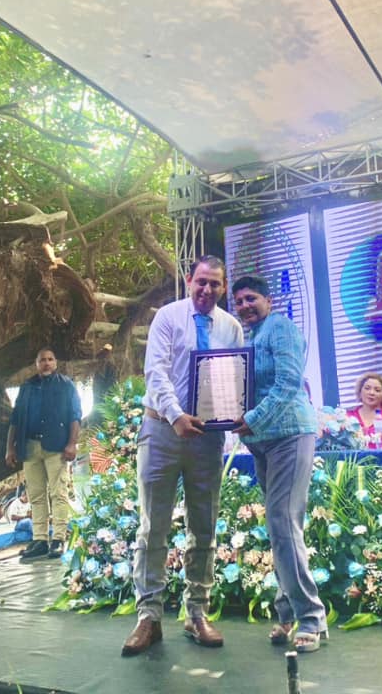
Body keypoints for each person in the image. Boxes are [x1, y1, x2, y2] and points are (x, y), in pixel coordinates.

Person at [121, 255, 244, 657]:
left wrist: (234, 414)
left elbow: (233, 378)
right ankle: (149, 617)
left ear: (223, 288)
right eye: (201, 282)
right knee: (152, 526)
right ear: (189, 280)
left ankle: (197, 613)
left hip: (207, 438)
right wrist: (176, 416)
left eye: (215, 284)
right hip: (161, 430)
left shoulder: (231, 327)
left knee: (203, 527)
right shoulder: (168, 317)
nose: (207, 290)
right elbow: (155, 373)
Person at [231, 275, 327, 653]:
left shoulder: (280, 328)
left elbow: (288, 383)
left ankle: (311, 617)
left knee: (283, 522)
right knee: (280, 528)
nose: (244, 306)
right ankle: (287, 613)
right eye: (238, 301)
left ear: (268, 300)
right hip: (261, 443)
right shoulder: (249, 338)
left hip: (290, 435)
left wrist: (253, 418)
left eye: (251, 298)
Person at [5, 347, 81, 562]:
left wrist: (72, 444)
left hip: (56, 447)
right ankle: (39, 540)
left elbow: (75, 416)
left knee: (58, 493)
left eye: (50, 359)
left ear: (55, 363)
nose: (46, 363)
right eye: (42, 360)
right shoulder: (27, 387)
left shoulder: (66, 385)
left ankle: (58, 539)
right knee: (36, 495)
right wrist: (10, 448)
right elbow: (15, 419)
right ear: (36, 364)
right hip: (30, 446)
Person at [346, 372, 382, 449]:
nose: (371, 393)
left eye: (377, 390)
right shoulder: (348, 417)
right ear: (360, 391)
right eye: (367, 388)